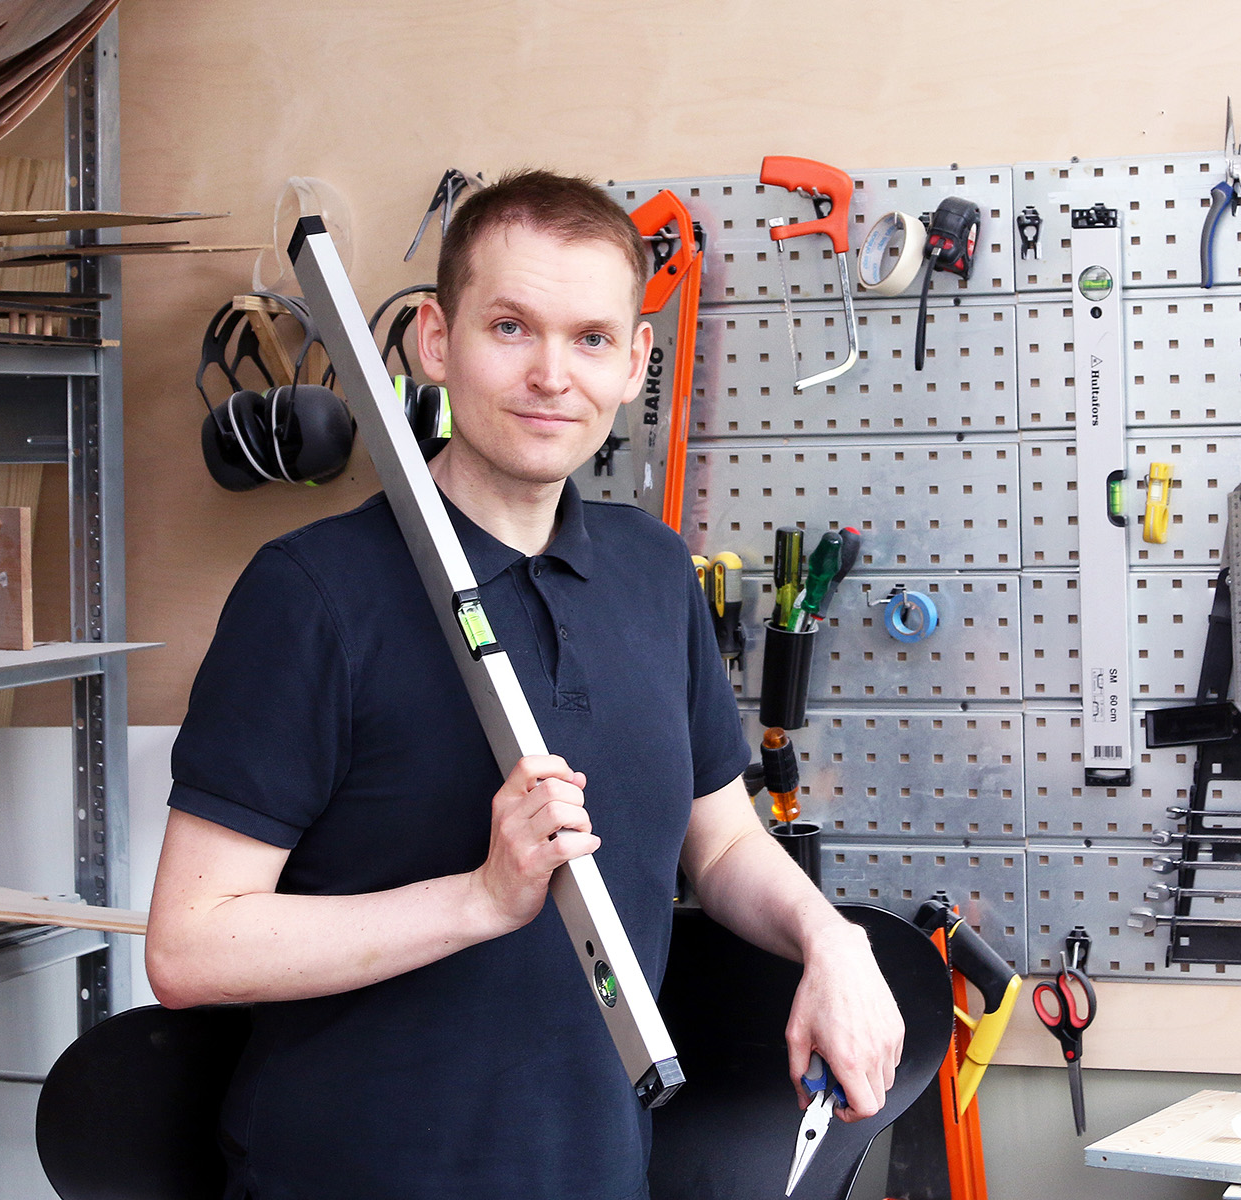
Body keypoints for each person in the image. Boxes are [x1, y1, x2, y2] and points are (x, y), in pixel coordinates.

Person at [145, 169, 905, 1199]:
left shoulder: (651, 573)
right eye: (512, 328)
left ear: (637, 361)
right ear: (434, 340)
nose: (554, 374)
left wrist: (832, 938)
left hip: (598, 1174)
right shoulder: (313, 596)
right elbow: (194, 948)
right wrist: (479, 899)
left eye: (592, 338)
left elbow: (719, 840)